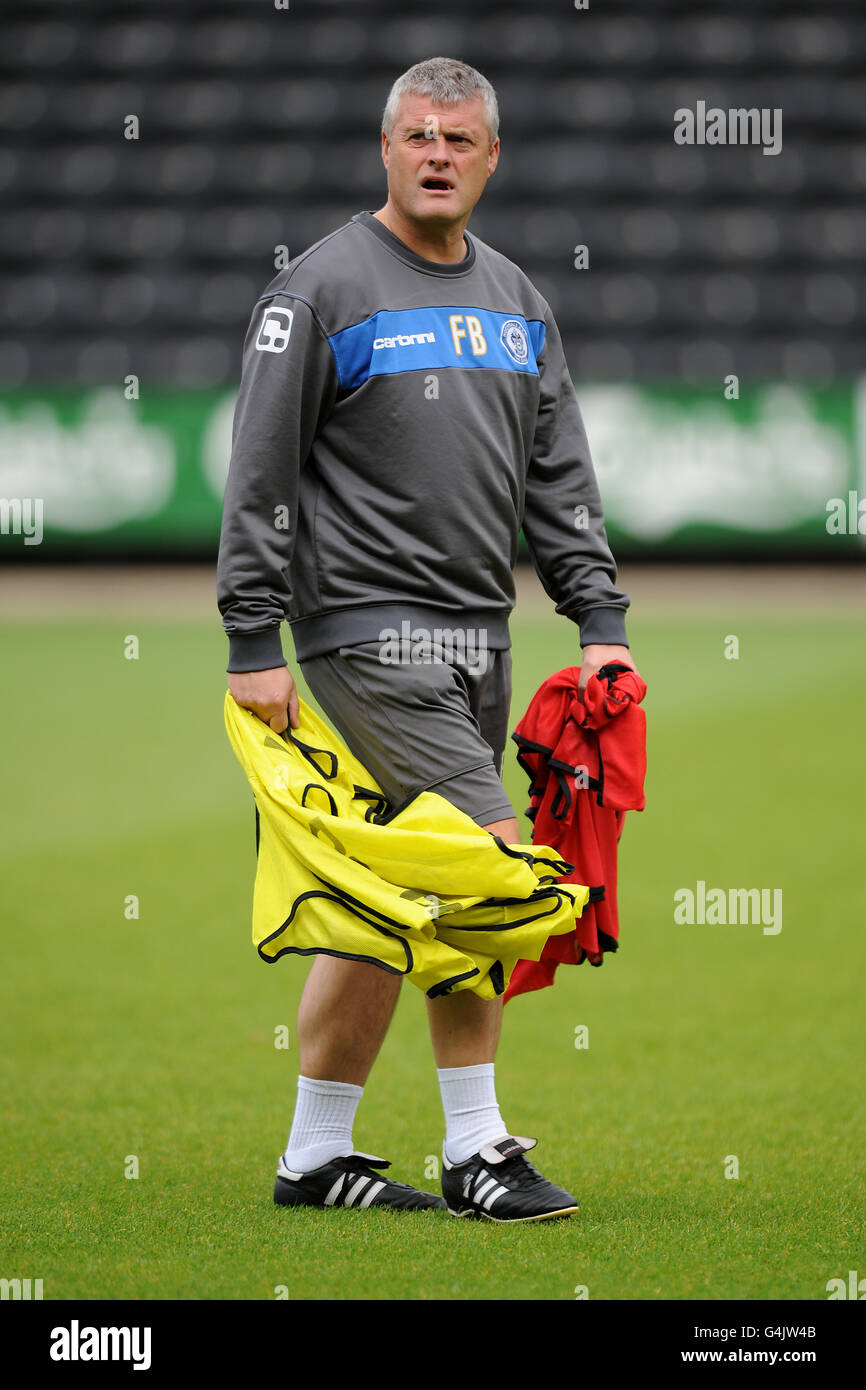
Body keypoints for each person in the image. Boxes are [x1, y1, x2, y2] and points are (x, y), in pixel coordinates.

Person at [217, 56, 637, 1222]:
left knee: (384, 893)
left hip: (478, 636)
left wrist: (595, 621)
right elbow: (258, 478)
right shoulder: (319, 291)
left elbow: (559, 477)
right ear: (386, 150)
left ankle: (315, 1158)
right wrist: (254, 639)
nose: (438, 153)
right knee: (488, 871)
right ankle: (476, 1148)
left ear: (490, 157)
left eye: (460, 137)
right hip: (365, 636)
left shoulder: (515, 300)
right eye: (417, 135)